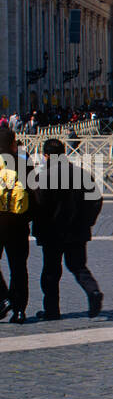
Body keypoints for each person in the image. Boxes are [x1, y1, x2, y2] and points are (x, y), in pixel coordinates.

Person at [31, 139, 103, 321]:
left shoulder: (43, 177)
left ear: (46, 156)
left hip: (51, 233)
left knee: (50, 271)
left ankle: (51, 310)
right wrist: (87, 221)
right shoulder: (81, 174)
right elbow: (96, 200)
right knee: (78, 267)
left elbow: (38, 206)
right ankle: (93, 291)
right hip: (77, 231)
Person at [0, 125, 31, 324]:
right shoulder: (22, 165)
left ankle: (3, 297)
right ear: (13, 144)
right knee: (19, 267)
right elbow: (36, 197)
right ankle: (19, 310)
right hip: (18, 224)